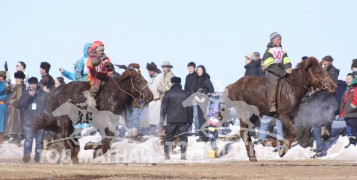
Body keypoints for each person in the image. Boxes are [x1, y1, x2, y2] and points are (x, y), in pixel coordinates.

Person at [160, 77, 193, 160]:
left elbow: (163, 108)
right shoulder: (186, 93)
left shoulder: (168, 93)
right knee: (183, 137)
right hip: (183, 119)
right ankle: (183, 156)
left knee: (168, 137)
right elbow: (190, 108)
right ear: (180, 83)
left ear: (172, 83)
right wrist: (190, 120)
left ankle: (167, 156)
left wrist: (161, 121)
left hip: (171, 120)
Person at [262, 32, 292, 114]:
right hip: (273, 72)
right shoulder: (268, 51)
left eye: (280, 39)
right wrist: (282, 73)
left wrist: (288, 68)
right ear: (273, 41)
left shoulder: (283, 50)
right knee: (273, 83)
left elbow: (286, 60)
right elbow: (270, 65)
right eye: (278, 39)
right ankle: (272, 105)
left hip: (282, 71)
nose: (280, 41)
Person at [19, 77, 45, 163]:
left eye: (34, 84)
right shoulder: (25, 93)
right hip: (28, 121)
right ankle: (26, 157)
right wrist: (30, 96)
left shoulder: (42, 94)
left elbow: (47, 106)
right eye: (30, 84)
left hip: (40, 122)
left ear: (37, 84)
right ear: (28, 84)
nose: (32, 85)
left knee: (39, 142)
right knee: (28, 141)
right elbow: (21, 105)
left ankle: (38, 158)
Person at [192, 65, 214, 142]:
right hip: (198, 100)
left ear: (203, 70)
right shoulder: (196, 80)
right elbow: (193, 89)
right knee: (200, 118)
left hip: (205, 101)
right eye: (197, 70)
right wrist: (195, 97)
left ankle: (205, 136)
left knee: (204, 118)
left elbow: (211, 90)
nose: (198, 71)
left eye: (200, 70)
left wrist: (205, 97)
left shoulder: (206, 79)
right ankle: (202, 136)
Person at [86, 40, 111, 106]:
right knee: (97, 84)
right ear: (95, 50)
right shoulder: (91, 58)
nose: (102, 52)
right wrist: (96, 61)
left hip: (105, 77)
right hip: (94, 77)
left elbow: (110, 70)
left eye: (103, 50)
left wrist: (110, 67)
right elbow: (89, 65)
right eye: (100, 50)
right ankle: (91, 98)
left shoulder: (106, 58)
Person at [5, 71, 26, 144]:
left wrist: (12, 103)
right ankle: (14, 137)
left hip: (15, 107)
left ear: (22, 79)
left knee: (15, 123)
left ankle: (17, 138)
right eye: (16, 77)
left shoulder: (21, 87)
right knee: (12, 123)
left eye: (18, 78)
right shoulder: (16, 86)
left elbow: (19, 98)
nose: (16, 79)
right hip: (12, 107)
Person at [340, 73, 357, 147]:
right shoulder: (348, 89)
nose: (347, 80)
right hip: (347, 113)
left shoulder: (355, 88)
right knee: (349, 128)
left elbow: (355, 100)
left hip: (352, 113)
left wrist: (350, 108)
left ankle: (353, 144)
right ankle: (351, 143)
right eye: (346, 79)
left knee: (352, 129)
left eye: (349, 79)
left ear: (353, 79)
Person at [146, 62, 163, 135]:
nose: (149, 72)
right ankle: (152, 129)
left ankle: (160, 129)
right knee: (151, 116)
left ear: (153, 70)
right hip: (151, 100)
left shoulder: (160, 77)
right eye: (148, 70)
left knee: (159, 116)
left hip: (158, 99)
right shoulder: (149, 79)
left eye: (150, 70)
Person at [184, 62, 199, 134]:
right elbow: (185, 87)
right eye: (188, 68)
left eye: (191, 68)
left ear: (194, 68)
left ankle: (197, 131)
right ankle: (188, 131)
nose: (190, 70)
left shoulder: (198, 76)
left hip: (195, 98)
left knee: (196, 116)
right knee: (188, 116)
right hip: (188, 98)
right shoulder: (187, 77)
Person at [0, 71, 9, 144]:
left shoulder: (5, 84)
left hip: (2, 105)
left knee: (1, 122)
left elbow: (3, 91)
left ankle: (1, 138)